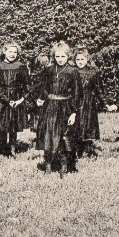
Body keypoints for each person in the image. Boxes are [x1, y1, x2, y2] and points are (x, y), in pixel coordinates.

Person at [28, 42, 80, 175]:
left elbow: (77, 93)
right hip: (49, 108)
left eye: (63, 56)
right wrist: (42, 97)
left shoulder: (72, 71)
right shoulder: (49, 70)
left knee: (63, 137)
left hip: (65, 108)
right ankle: (48, 166)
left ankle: (64, 167)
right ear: (53, 56)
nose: (60, 59)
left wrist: (73, 112)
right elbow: (42, 87)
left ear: (68, 56)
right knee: (48, 135)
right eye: (57, 56)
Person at [72, 48, 115, 158]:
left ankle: (88, 149)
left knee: (87, 125)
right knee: (76, 126)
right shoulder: (72, 71)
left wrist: (106, 104)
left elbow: (99, 90)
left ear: (87, 59)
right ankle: (76, 151)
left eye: (82, 59)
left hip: (88, 103)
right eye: (78, 59)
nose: (80, 61)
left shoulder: (93, 72)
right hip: (75, 101)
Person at [0, 41, 29, 160]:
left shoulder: (21, 66)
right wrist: (5, 98)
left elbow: (26, 84)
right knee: (3, 123)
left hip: (16, 97)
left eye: (15, 52)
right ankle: (2, 147)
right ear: (4, 51)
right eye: (10, 51)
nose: (12, 54)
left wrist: (20, 99)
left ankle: (12, 148)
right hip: (2, 98)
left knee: (13, 124)